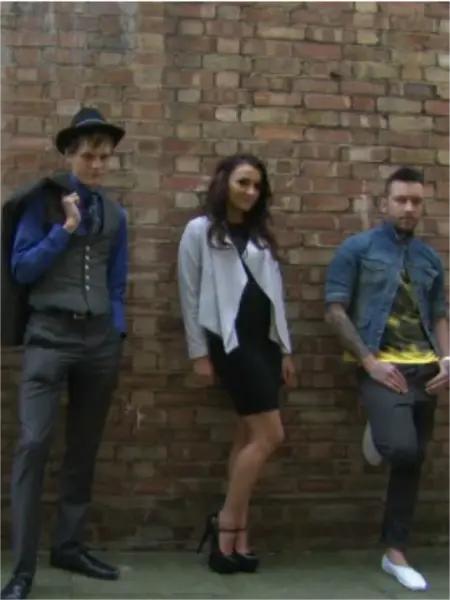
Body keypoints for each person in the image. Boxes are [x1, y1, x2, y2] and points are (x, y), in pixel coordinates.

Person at [1, 107, 128, 600]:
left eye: (104, 157)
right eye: (88, 156)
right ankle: (22, 568)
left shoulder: (116, 215)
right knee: (33, 444)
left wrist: (115, 331)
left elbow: (116, 282)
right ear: (69, 155)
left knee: (83, 447)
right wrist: (66, 228)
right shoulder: (43, 203)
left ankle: (69, 546)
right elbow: (22, 268)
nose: (96, 165)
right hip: (48, 336)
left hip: (98, 340)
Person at [324, 167, 448, 591]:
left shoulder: (429, 259)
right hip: (382, 368)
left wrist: (447, 360)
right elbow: (335, 310)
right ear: (384, 204)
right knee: (400, 447)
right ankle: (381, 431)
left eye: (416, 201)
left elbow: (439, 315)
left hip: (425, 369)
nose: (409, 208)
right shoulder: (357, 249)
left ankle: (395, 553)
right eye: (401, 200)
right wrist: (369, 362)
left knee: (413, 462)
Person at [178, 154, 296, 574]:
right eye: (243, 182)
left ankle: (238, 538)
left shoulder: (260, 236)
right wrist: (198, 354)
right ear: (224, 182)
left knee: (246, 435)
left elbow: (276, 296)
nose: (250, 191)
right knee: (270, 435)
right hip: (231, 344)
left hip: (264, 345)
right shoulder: (200, 231)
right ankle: (224, 522)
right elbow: (189, 294)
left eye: (257, 186)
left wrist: (285, 349)